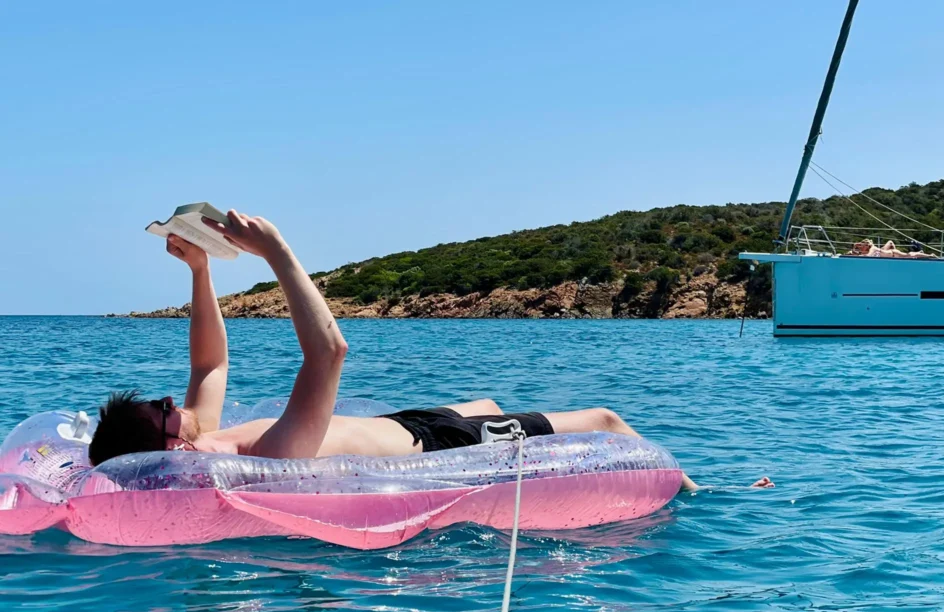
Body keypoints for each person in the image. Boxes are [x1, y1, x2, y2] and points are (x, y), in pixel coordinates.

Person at [88, 210, 773, 492]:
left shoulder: (202, 440)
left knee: (491, 404)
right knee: (603, 420)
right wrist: (277, 252)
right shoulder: (267, 460)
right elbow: (329, 353)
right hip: (436, 445)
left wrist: (200, 273)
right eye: (162, 413)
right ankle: (699, 493)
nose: (173, 403)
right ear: (167, 451)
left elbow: (210, 366)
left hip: (411, 419)